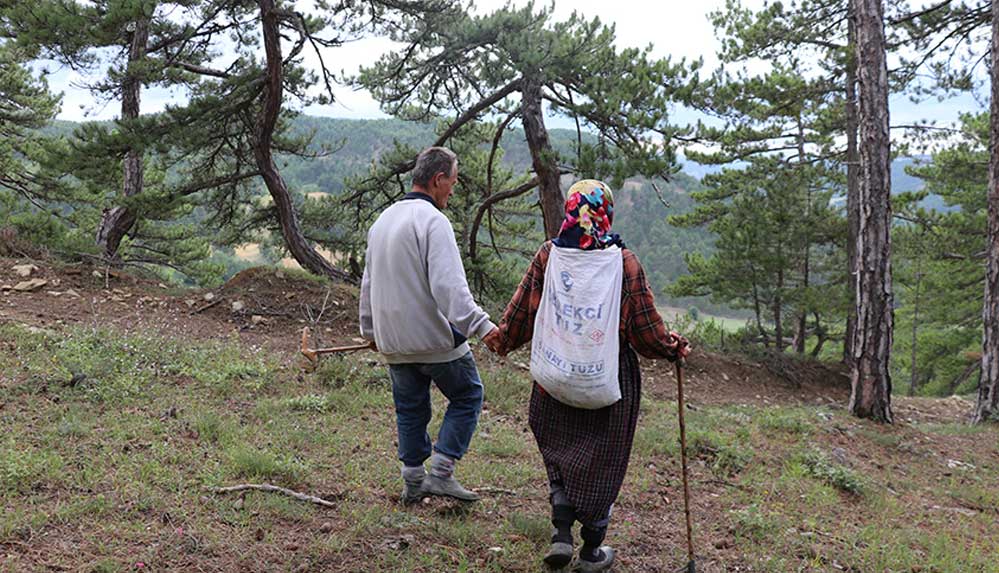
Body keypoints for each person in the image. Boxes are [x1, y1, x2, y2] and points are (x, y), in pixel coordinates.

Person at [495, 179, 690, 572]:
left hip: (555, 375)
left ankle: (561, 533)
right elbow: (645, 330)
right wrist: (672, 348)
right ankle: (591, 552)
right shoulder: (624, 262)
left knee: (559, 447)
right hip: (607, 379)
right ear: (607, 212)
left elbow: (523, 311)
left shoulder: (549, 255)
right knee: (605, 460)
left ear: (571, 210)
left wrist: (501, 339)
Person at [359, 146, 502, 505]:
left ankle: (412, 482)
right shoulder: (433, 221)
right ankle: (440, 474)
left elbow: (368, 284)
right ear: (438, 180)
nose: (453, 190)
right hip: (434, 340)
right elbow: (448, 287)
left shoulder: (383, 220)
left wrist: (370, 331)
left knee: (410, 408)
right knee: (468, 394)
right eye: (452, 182)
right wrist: (483, 327)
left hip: (393, 340)